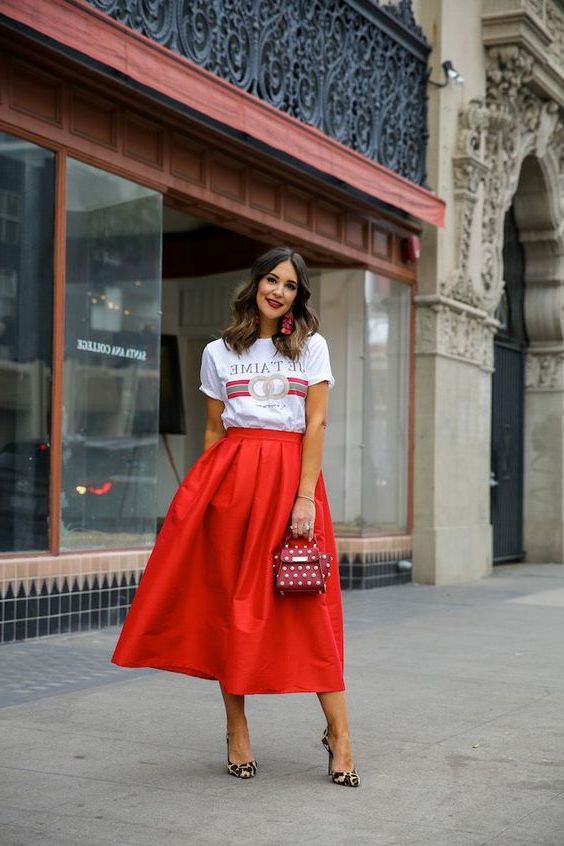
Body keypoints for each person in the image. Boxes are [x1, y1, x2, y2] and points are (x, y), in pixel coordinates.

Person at [111, 246, 359, 787]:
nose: (278, 291)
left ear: (299, 295)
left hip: (290, 482)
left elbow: (315, 425)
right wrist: (201, 496)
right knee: (230, 607)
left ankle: (339, 734)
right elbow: (213, 431)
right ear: (254, 284)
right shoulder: (218, 352)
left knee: (308, 607)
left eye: (290, 285)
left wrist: (304, 498)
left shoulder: (310, 347)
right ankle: (237, 730)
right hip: (229, 484)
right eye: (271, 279)